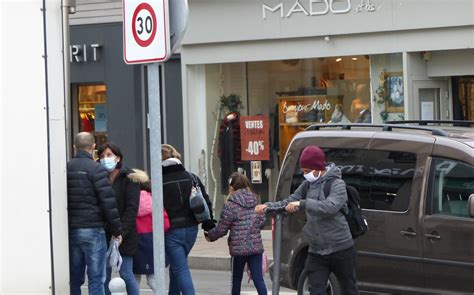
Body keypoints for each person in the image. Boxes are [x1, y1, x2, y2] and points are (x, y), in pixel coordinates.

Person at [256, 145, 359, 295]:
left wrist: (303, 204)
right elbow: (290, 201)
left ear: (318, 168)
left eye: (307, 171)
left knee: (349, 289)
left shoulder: (337, 184)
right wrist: (267, 207)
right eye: (303, 171)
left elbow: (330, 206)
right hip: (316, 250)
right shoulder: (306, 186)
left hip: (340, 248)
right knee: (315, 290)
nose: (305, 174)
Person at [67, 132, 122, 295]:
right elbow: (108, 203)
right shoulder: (97, 169)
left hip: (71, 229)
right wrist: (117, 230)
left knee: (74, 278)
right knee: (96, 278)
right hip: (93, 229)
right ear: (93, 147)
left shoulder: (66, 168)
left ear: (75, 147)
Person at [162, 144, 216, 295]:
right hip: (192, 229)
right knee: (177, 265)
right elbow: (205, 200)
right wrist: (208, 224)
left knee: (180, 268)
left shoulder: (159, 181)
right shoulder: (191, 177)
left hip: (172, 231)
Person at [205, 172, 267, 295]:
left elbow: (222, 229)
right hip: (255, 247)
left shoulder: (230, 204)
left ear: (232, 188)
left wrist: (210, 235)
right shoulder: (255, 199)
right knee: (258, 279)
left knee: (236, 280)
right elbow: (262, 221)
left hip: (238, 249)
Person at [98, 143, 140, 295]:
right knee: (104, 276)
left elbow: (132, 208)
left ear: (118, 158)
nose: (105, 159)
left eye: (109, 155)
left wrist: (121, 233)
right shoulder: (99, 176)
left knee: (126, 274)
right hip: (104, 233)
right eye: (102, 156)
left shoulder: (130, 177)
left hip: (125, 234)